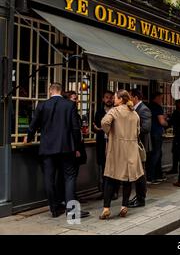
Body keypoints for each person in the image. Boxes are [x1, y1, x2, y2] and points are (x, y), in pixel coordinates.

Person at [25, 83, 89, 218]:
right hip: (66, 148)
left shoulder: (42, 105)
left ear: (50, 91)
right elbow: (75, 129)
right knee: (69, 178)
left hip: (47, 148)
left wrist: (29, 138)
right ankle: (71, 212)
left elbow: (33, 124)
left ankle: (54, 209)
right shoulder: (69, 105)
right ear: (61, 91)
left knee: (49, 178)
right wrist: (77, 147)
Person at [99, 90, 144, 220]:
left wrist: (109, 133)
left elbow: (104, 123)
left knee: (110, 179)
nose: (114, 100)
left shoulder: (115, 111)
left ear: (120, 99)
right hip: (131, 150)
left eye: (115, 98)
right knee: (127, 180)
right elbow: (138, 132)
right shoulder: (135, 114)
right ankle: (124, 206)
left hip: (116, 150)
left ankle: (106, 209)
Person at [128, 88, 152, 208]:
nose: (129, 99)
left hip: (140, 146)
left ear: (135, 98)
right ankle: (138, 196)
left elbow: (146, 128)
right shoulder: (135, 109)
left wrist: (130, 131)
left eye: (130, 97)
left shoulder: (144, 109)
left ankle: (141, 199)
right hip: (134, 146)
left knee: (141, 173)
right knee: (137, 173)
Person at [64, 91, 87, 203]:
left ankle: (72, 196)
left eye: (77, 99)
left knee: (74, 174)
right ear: (68, 100)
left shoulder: (76, 114)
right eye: (74, 99)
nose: (77, 101)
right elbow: (72, 132)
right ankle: (70, 198)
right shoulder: (68, 114)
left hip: (79, 145)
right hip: (72, 148)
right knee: (70, 175)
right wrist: (76, 148)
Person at [92, 91, 115, 197]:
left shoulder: (116, 111)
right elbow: (95, 127)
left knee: (113, 168)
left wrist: (101, 129)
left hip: (114, 144)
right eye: (107, 97)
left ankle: (114, 191)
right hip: (102, 144)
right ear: (103, 99)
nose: (109, 99)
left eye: (111, 97)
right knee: (103, 168)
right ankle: (105, 191)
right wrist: (99, 129)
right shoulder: (99, 112)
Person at [148, 92, 168, 184]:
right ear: (156, 98)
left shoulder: (148, 106)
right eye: (160, 98)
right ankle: (151, 176)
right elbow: (161, 122)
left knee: (153, 154)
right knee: (156, 154)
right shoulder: (158, 107)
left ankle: (157, 175)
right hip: (156, 133)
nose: (162, 100)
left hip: (150, 133)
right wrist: (167, 123)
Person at [167, 99, 180, 174]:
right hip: (177, 135)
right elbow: (171, 122)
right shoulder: (176, 112)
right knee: (175, 153)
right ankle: (175, 168)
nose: (177, 105)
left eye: (179, 103)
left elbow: (171, 122)